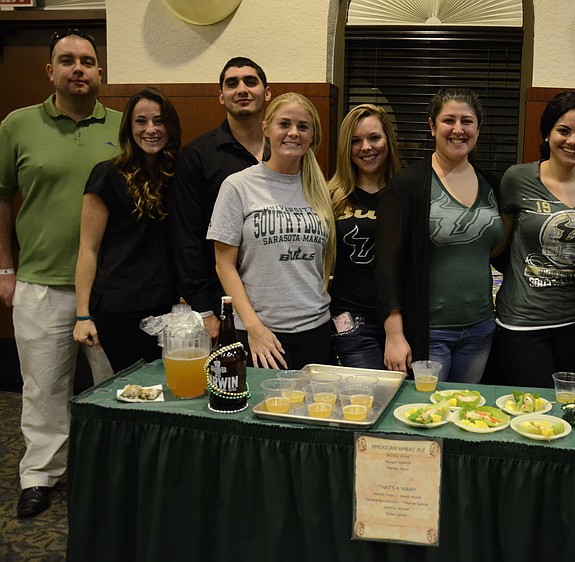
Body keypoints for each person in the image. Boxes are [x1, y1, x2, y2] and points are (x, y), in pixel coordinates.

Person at [0, 29, 121, 518]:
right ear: (50, 71)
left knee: (115, 387)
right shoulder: (17, 125)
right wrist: (5, 266)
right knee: (44, 388)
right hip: (41, 282)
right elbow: (2, 197)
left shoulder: (123, 125)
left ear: (99, 71)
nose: (78, 69)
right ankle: (40, 476)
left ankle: (115, 472)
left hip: (112, 288)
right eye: (67, 61)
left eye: (87, 61)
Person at [376, 87, 503, 382]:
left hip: (481, 330)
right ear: (432, 126)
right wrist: (394, 333)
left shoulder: (491, 183)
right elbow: (386, 266)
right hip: (429, 333)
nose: (458, 129)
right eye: (449, 120)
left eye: (467, 121)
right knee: (427, 418)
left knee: (466, 416)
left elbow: (497, 248)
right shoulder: (407, 186)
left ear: (478, 128)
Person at [493, 91, 575, 388]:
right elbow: (498, 245)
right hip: (521, 321)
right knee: (535, 414)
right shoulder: (517, 178)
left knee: (569, 411)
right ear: (547, 133)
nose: (573, 140)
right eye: (564, 130)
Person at [208, 92, 335, 370]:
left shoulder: (321, 190)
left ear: (312, 135)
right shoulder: (237, 186)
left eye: (303, 127)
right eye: (284, 124)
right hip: (260, 335)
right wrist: (254, 328)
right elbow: (223, 264)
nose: (293, 133)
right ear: (266, 128)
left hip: (316, 330)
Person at [73, 88, 182, 372]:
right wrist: (82, 314)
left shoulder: (179, 175)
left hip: (168, 306)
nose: (151, 129)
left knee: (169, 391)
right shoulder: (107, 174)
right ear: (128, 128)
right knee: (132, 393)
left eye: (159, 121)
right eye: (141, 121)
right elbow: (88, 248)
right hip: (119, 307)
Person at [169, 57, 271, 340]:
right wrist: (203, 310)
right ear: (221, 96)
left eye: (251, 81)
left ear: (267, 92)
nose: (242, 89)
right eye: (232, 83)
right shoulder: (197, 156)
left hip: (275, 304)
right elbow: (186, 237)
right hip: (220, 304)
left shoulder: (286, 151)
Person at [328, 104, 401, 370]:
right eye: (355, 141)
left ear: (388, 141)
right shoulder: (330, 196)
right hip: (351, 320)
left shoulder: (405, 191)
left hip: (401, 319)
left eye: (374, 138)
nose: (366, 148)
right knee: (367, 397)